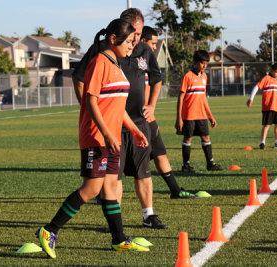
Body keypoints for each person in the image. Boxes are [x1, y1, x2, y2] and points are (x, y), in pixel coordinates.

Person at [36, 19, 150, 259]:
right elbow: (91, 100)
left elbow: (117, 109)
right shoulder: (99, 62)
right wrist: (107, 133)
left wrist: (135, 129)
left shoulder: (117, 65)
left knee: (110, 188)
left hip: (112, 138)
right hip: (97, 137)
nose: (132, 45)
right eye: (129, 41)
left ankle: (119, 240)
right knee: (91, 188)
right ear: (113, 40)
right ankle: (49, 231)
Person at [72, 8, 168, 229]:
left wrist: (151, 106)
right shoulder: (103, 55)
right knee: (107, 181)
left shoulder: (143, 50)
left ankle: (146, 217)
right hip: (109, 128)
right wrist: (91, 112)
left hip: (135, 122)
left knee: (142, 172)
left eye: (140, 32)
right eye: (134, 32)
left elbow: (156, 79)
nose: (136, 38)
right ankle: (113, 224)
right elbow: (83, 85)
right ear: (121, 30)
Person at [140, 26, 197, 198]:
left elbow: (156, 82)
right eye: (152, 43)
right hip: (132, 120)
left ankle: (175, 190)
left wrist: (151, 106)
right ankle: (101, 193)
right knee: (121, 162)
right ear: (142, 41)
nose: (154, 47)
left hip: (149, 118)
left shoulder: (149, 62)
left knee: (160, 153)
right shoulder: (129, 60)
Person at [175, 50, 224, 173]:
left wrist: (210, 116)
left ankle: (210, 163)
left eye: (206, 63)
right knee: (188, 139)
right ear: (195, 62)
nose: (204, 66)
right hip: (189, 115)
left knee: (206, 137)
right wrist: (179, 118)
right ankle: (186, 165)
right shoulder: (188, 76)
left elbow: (203, 99)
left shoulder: (205, 77)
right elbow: (180, 98)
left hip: (201, 114)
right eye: (202, 63)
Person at [246, 63, 277, 150]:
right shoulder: (266, 78)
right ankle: (262, 143)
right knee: (266, 125)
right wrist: (251, 98)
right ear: (272, 71)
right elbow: (256, 87)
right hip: (268, 107)